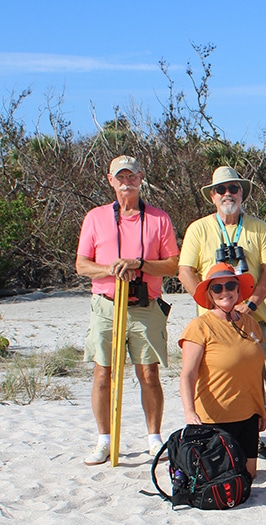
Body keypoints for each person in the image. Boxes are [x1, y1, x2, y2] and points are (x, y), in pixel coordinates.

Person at [75, 155, 179, 465]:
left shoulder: (159, 219)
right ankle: (104, 440)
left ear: (141, 177)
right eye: (120, 176)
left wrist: (140, 265)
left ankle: (153, 437)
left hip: (145, 306)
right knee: (102, 373)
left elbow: (173, 264)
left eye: (131, 176)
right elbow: (82, 265)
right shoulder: (95, 217)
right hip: (106, 305)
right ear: (110, 179)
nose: (126, 182)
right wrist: (111, 268)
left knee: (149, 372)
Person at [178, 166, 266, 354]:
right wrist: (212, 304)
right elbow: (185, 272)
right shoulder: (198, 229)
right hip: (212, 323)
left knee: (257, 379)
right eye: (221, 190)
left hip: (252, 319)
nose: (227, 194)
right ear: (212, 196)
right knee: (216, 380)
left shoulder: (259, 228)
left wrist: (250, 305)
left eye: (233, 189)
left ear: (241, 193)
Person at [179, 263, 266, 478]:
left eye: (230, 286)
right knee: (221, 476)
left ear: (238, 290)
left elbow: (255, 372)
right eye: (217, 288)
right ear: (209, 294)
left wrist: (261, 410)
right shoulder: (199, 326)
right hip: (214, 418)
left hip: (248, 416)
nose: (224, 292)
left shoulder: (251, 324)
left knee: (249, 475)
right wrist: (189, 412)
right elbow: (188, 374)